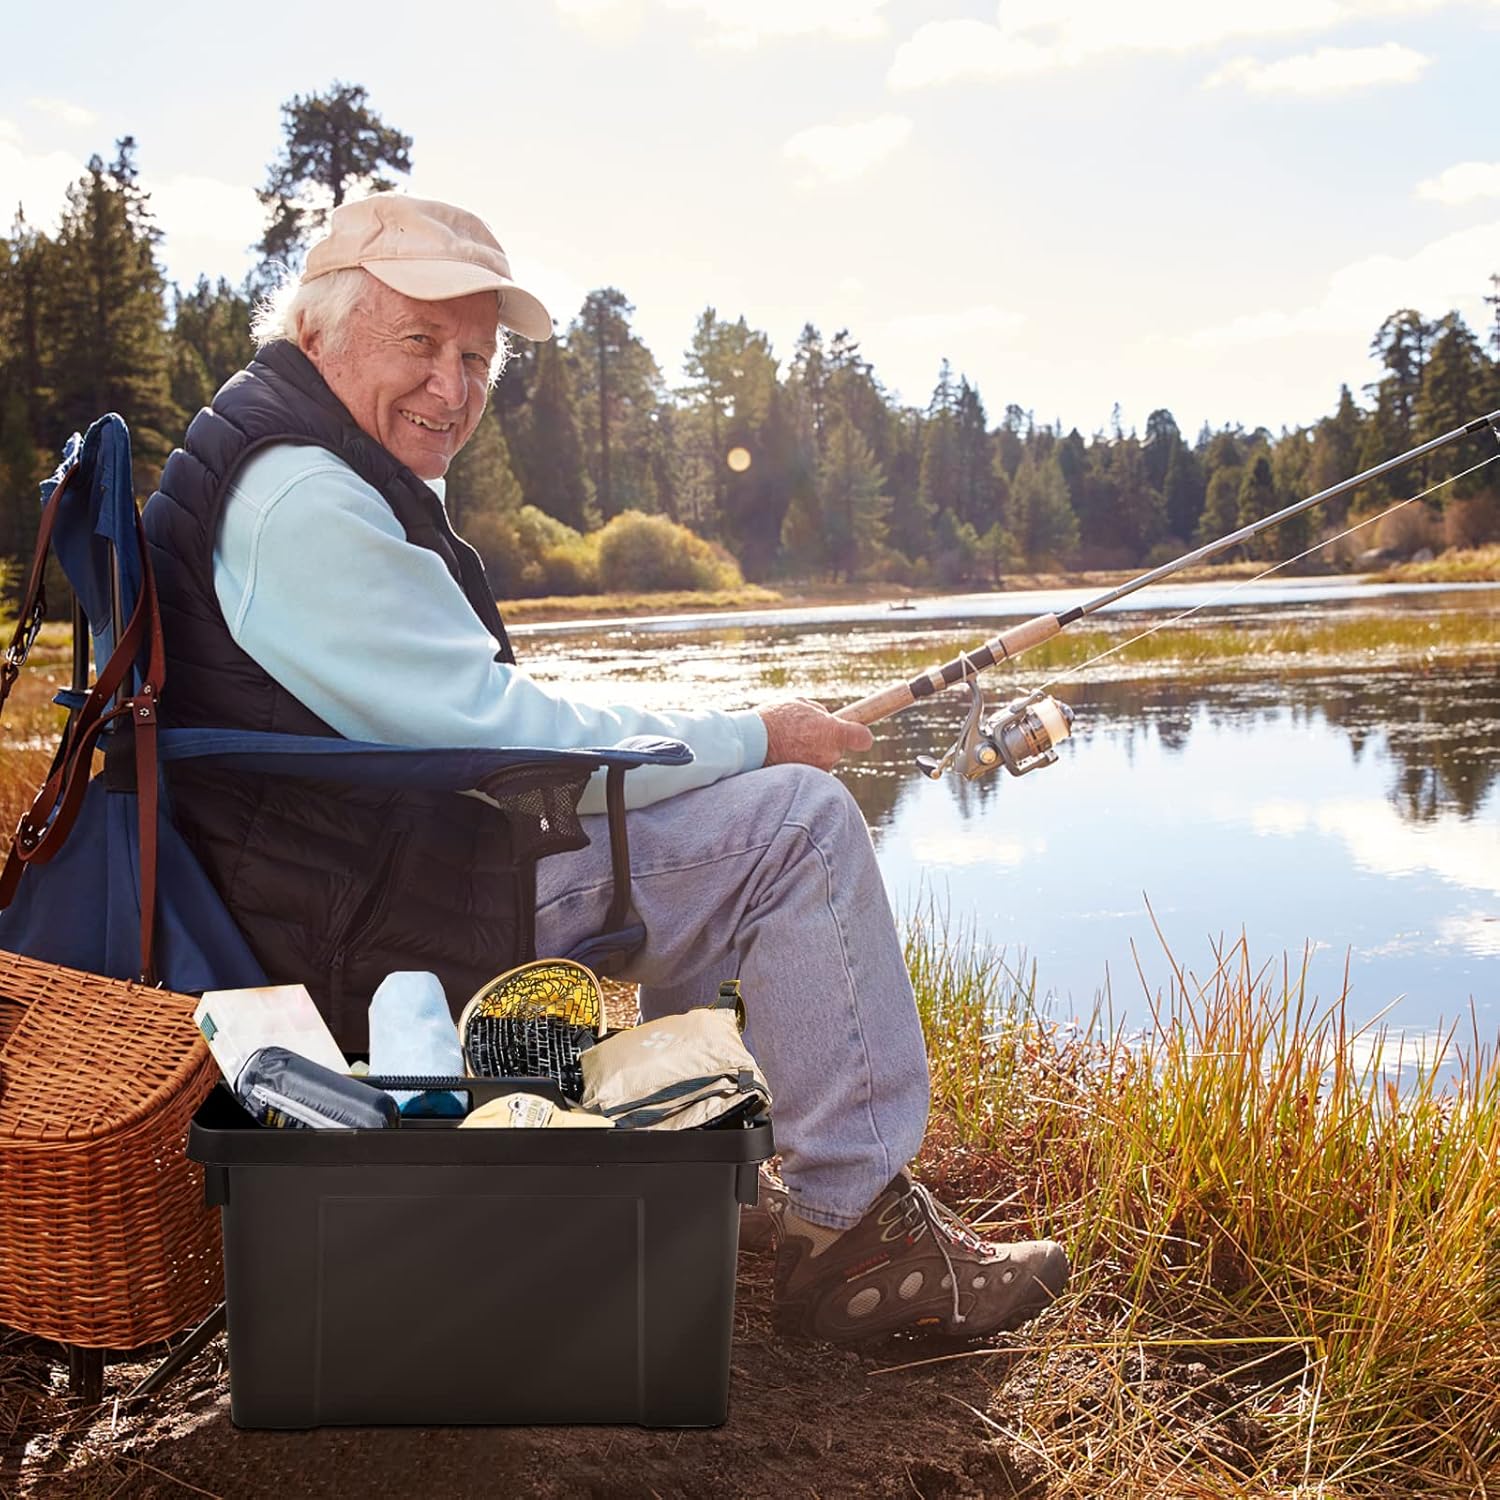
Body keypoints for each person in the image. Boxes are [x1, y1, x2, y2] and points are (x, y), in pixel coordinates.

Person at [142, 193, 1068, 1344]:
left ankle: (705, 1161)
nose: (454, 387)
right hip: (378, 920)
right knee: (796, 824)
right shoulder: (304, 500)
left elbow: (466, 720)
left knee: (741, 801)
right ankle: (855, 1233)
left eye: (476, 357)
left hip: (352, 872)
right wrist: (757, 735)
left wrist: (715, 741)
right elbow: (503, 737)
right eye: (420, 345)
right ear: (321, 331)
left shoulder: (298, 453)